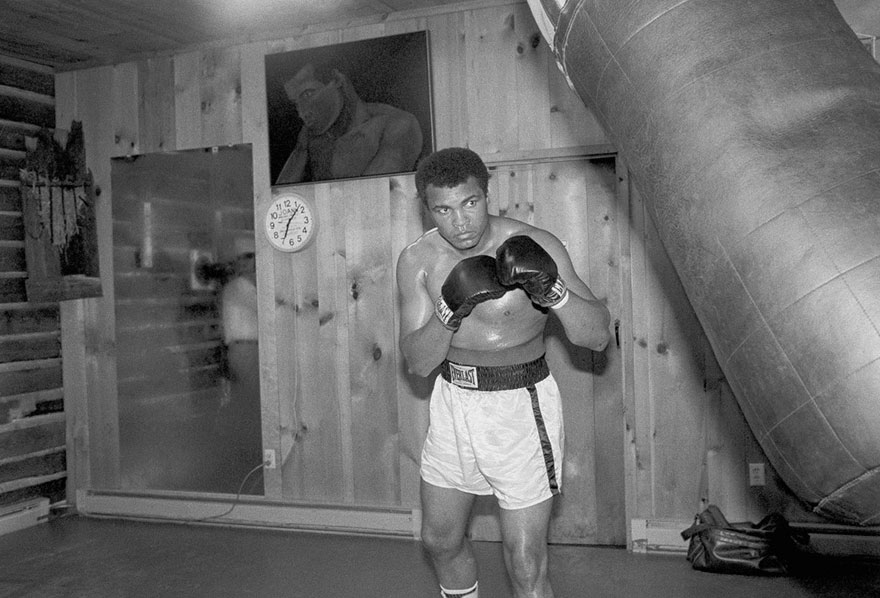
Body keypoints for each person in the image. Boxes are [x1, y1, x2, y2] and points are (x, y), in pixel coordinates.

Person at [396, 147, 611, 598]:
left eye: (470, 203)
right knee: (439, 539)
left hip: (521, 405)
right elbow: (417, 363)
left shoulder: (537, 243)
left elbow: (596, 337)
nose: (460, 222)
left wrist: (553, 292)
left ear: (486, 193)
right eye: (444, 209)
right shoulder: (418, 260)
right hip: (454, 403)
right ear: (426, 208)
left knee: (526, 561)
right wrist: (448, 310)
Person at [274, 63, 424, 184]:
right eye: (295, 103)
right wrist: (300, 150)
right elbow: (279, 199)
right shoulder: (311, 139)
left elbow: (372, 195)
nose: (301, 112)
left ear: (338, 80)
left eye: (307, 94)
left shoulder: (397, 125)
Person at [219, 251, 263, 482]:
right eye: (249, 262)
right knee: (250, 402)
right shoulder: (239, 287)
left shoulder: (239, 286)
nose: (253, 267)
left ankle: (247, 455)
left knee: (249, 401)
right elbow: (265, 310)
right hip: (245, 349)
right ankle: (247, 457)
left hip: (248, 349)